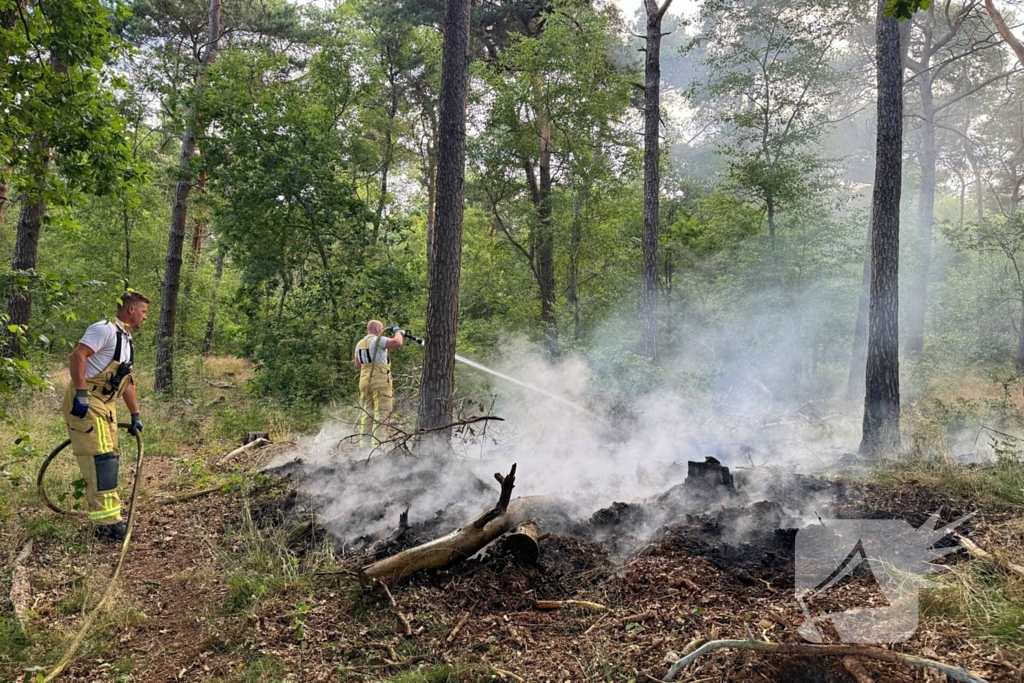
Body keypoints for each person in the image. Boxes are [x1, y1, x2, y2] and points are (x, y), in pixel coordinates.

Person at [63, 291, 148, 542]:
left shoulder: (126, 341)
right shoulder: (104, 330)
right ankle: (106, 525)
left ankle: (109, 520)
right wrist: (80, 392)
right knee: (101, 460)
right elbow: (78, 356)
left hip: (106, 406)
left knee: (109, 459)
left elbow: (127, 383)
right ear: (130, 310)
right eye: (143, 312)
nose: (145, 317)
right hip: (88, 402)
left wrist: (136, 415)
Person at [353, 320, 403, 448]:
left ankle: (364, 446)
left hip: (364, 381)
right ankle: (378, 447)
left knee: (367, 413)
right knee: (381, 412)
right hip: (378, 381)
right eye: (381, 330)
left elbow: (358, 365)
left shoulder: (360, 343)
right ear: (377, 330)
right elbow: (398, 343)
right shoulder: (377, 340)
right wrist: (397, 331)